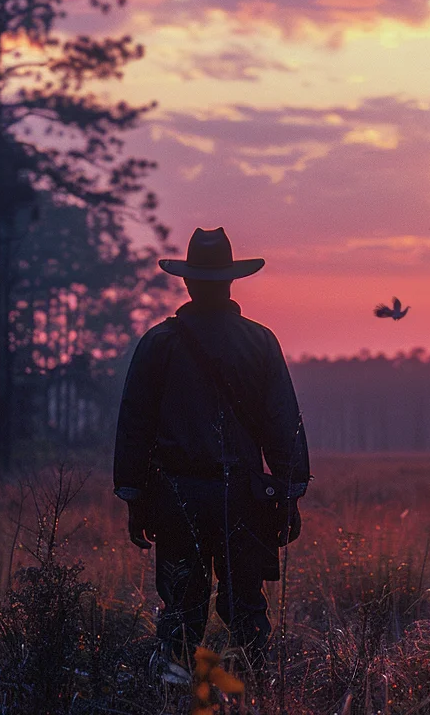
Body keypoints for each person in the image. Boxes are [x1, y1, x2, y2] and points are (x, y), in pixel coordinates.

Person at [112, 227, 310, 683]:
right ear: (229, 281)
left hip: (175, 499)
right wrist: (289, 495)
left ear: (188, 282)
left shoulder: (158, 343)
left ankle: (178, 696)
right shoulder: (260, 341)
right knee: (246, 611)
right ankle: (252, 694)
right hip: (243, 495)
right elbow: (284, 424)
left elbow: (134, 426)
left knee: (180, 611)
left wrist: (135, 500)